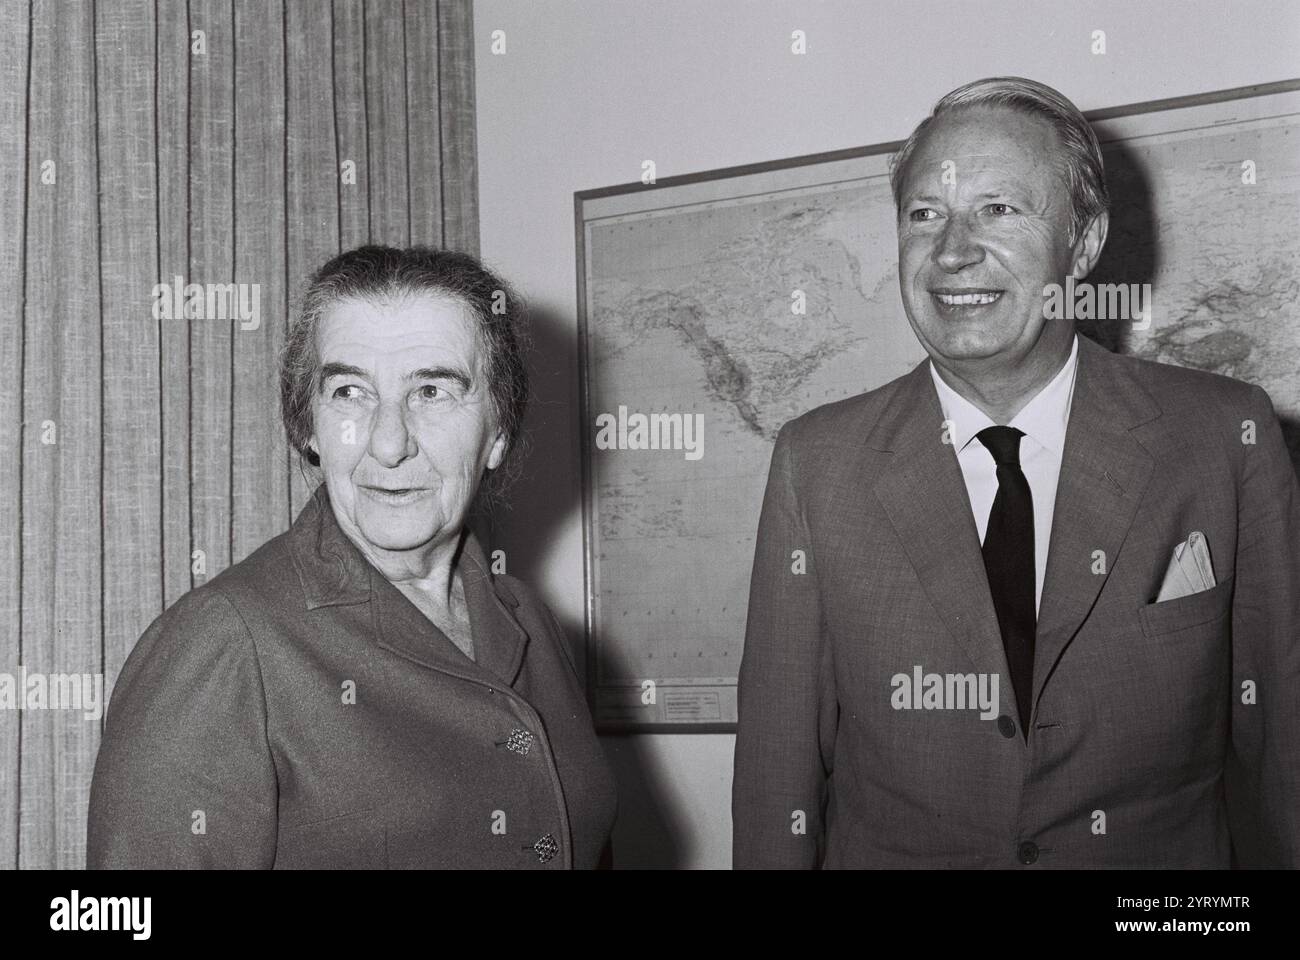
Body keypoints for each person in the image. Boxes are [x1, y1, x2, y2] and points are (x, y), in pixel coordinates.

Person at [732, 77, 1299, 868]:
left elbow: (1284, 752)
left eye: (1000, 209)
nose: (954, 249)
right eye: (924, 213)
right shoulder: (816, 463)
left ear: (1086, 241)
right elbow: (775, 781)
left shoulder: (1221, 438)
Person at [88, 245, 616, 868]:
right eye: (349, 392)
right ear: (308, 427)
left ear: (498, 431)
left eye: (432, 390)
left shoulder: (530, 619)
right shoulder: (224, 643)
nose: (389, 443)